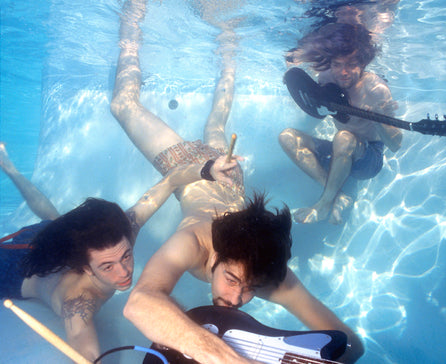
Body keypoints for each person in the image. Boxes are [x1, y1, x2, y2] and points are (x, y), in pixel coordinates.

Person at [110, 1, 364, 363]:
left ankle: (229, 48)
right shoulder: (192, 243)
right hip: (193, 169)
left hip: (228, 174)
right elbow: (140, 302)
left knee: (215, 128)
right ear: (218, 254)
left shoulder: (266, 270)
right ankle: (132, 21)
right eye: (231, 278)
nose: (236, 299)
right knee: (122, 105)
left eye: (250, 289)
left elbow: (350, 345)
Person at [0, 141, 226, 362]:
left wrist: (208, 169)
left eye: (126, 256)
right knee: (51, 221)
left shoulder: (120, 237)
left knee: (53, 221)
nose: (124, 272)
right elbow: (82, 341)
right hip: (12, 270)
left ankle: (8, 167)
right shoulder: (78, 300)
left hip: (46, 234)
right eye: (107, 267)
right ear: (86, 268)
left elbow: (169, 181)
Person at [279, 22, 402, 224]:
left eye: (351, 64)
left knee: (344, 137)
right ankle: (337, 194)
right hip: (340, 153)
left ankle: (324, 203)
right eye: (337, 64)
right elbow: (311, 104)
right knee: (287, 137)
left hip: (368, 160)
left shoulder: (377, 90)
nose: (343, 72)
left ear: (362, 63)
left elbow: (396, 145)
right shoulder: (326, 79)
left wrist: (380, 120)